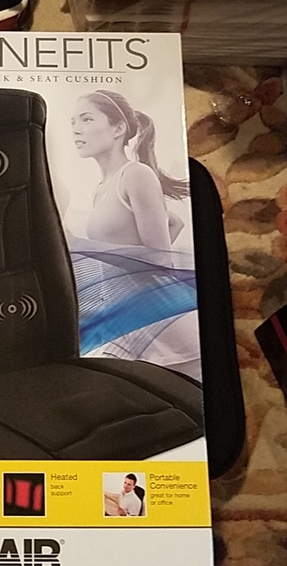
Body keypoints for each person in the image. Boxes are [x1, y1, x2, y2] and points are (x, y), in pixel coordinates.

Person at [63, 90, 201, 381]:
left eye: (86, 119)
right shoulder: (102, 187)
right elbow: (173, 222)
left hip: (165, 327)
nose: (76, 129)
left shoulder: (136, 174)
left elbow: (160, 260)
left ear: (118, 128)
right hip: (130, 318)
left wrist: (81, 246)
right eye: (73, 122)